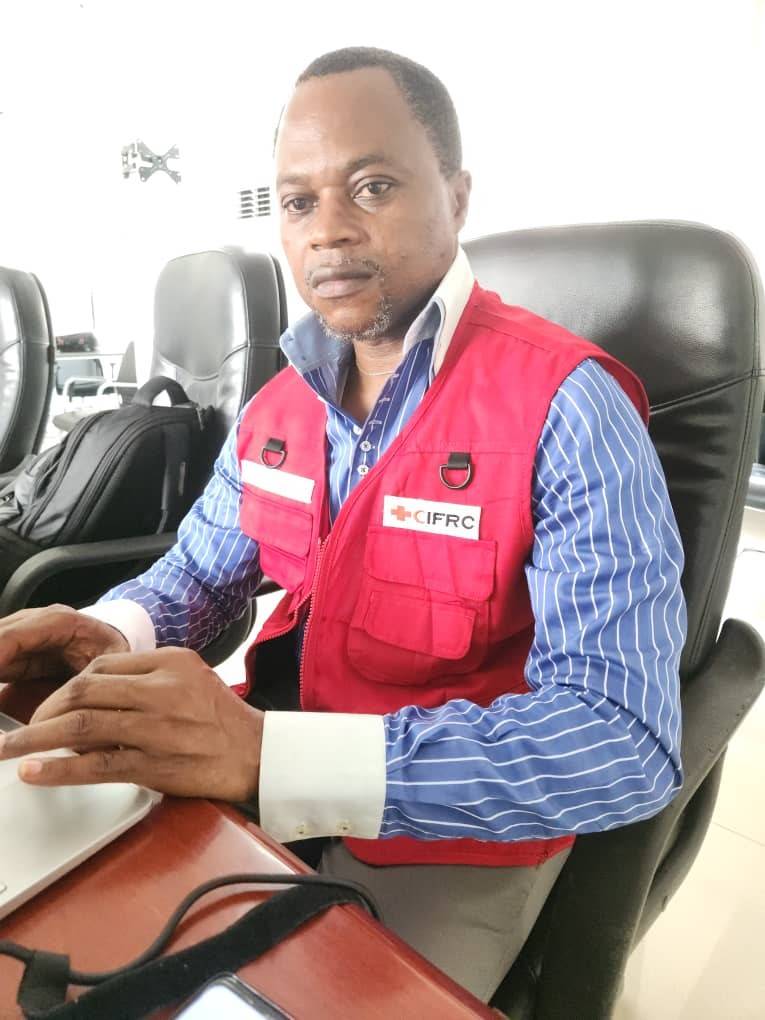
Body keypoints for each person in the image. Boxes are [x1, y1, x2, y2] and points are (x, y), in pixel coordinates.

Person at [0, 47, 687, 1002]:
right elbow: (200, 577)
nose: (327, 232)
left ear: (455, 194)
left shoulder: (565, 406)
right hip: (263, 761)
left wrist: (274, 757)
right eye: (295, 202)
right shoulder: (283, 404)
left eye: (372, 186)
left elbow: (621, 741)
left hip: (446, 836)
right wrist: (109, 633)